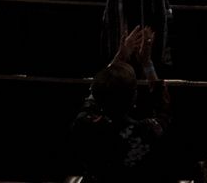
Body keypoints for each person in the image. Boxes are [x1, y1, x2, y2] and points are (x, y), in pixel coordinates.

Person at [72, 28, 175, 181]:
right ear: (134, 99)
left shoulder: (83, 124)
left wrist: (119, 57)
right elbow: (163, 104)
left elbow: (95, 90)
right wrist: (147, 62)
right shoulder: (147, 131)